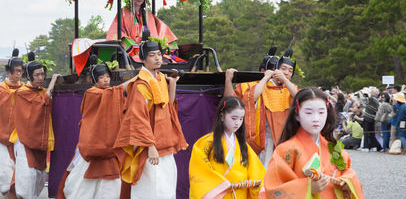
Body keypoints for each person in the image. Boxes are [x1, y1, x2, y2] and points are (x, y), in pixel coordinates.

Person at [114, 37, 187, 199]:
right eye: (152, 55)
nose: (157, 58)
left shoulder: (160, 77)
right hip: (149, 147)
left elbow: (167, 106)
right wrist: (150, 145)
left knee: (165, 189)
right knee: (150, 189)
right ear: (143, 58)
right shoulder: (141, 84)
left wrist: (173, 85)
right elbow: (139, 118)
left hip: (164, 142)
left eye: (159, 55)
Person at [262, 87, 363, 198]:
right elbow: (273, 188)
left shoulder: (333, 147)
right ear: (297, 114)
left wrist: (346, 182)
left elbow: (347, 171)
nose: (316, 118)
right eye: (309, 113)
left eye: (321, 112)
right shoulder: (285, 150)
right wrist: (308, 187)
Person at [60, 54, 131, 199]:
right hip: (93, 141)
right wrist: (139, 78)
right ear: (94, 80)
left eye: (107, 76)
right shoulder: (92, 93)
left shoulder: (111, 94)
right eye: (101, 77)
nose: (106, 79)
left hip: (108, 143)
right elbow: (117, 90)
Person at [189, 96, 265, 198]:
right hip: (219, 195)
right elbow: (199, 170)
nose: (237, 122)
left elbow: (256, 171)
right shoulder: (206, 143)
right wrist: (222, 185)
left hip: (239, 194)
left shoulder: (243, 145)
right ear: (222, 116)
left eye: (241, 119)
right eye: (234, 118)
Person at [8, 52, 60, 198]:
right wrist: (53, 83)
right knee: (27, 177)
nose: (41, 78)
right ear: (29, 76)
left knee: (40, 177)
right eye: (37, 75)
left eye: (43, 74)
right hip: (25, 140)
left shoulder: (42, 91)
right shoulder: (22, 92)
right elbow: (41, 103)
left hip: (39, 140)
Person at [241, 49, 298, 168]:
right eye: (283, 69)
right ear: (276, 69)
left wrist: (285, 80)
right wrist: (266, 78)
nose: (286, 72)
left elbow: (299, 98)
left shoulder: (290, 87)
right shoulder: (263, 84)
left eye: (290, 70)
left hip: (284, 137)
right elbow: (251, 99)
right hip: (264, 137)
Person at [0, 49, 25, 196]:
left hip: (21, 137)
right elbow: (4, 107)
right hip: (4, 136)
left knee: (21, 171)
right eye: (16, 71)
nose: (18, 74)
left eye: (21, 71)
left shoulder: (24, 88)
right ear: (8, 72)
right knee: (6, 171)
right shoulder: (0, 88)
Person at [106, 0, 177, 54]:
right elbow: (117, 30)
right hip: (133, 50)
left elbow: (159, 29)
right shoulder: (123, 13)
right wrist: (133, 44)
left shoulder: (148, 15)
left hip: (148, 48)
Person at [361, 88, 381, 152]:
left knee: (366, 133)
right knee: (372, 133)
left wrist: (363, 94)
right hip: (373, 118)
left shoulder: (371, 99)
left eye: (371, 92)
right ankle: (374, 146)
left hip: (367, 117)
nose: (370, 92)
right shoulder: (377, 101)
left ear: (374, 93)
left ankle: (366, 147)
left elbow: (363, 103)